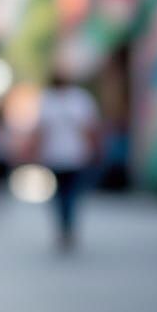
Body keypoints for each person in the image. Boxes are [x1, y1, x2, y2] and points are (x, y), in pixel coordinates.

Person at [33, 68, 102, 251]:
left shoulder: (58, 99)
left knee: (65, 195)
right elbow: (89, 128)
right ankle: (66, 228)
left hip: (69, 156)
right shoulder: (77, 99)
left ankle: (66, 229)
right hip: (63, 156)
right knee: (66, 194)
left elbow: (42, 131)